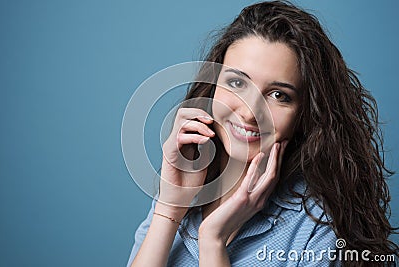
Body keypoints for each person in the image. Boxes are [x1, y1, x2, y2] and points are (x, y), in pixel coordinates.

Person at [127, 1, 398, 266]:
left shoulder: (320, 230)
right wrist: (170, 208)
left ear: (305, 114)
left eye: (279, 95)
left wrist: (213, 240)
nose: (248, 112)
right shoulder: (183, 189)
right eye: (236, 83)